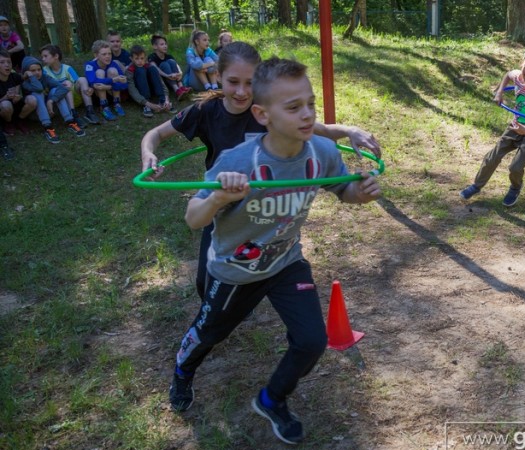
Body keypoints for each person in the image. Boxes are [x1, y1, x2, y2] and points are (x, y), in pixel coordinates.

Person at [169, 56, 381, 446]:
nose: (307, 115)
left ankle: (271, 400)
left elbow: (343, 191)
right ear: (262, 114)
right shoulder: (236, 162)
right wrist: (217, 198)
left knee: (312, 341)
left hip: (285, 262)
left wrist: (360, 194)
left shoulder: (320, 153)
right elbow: (193, 218)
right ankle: (183, 371)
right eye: (293, 107)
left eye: (310, 104)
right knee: (211, 330)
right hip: (235, 269)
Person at [141, 41, 381, 301]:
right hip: (222, 201)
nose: (242, 91)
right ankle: (223, 310)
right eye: (233, 82)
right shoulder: (204, 111)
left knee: (273, 262)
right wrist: (148, 153)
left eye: (250, 82)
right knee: (206, 281)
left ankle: (264, 292)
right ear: (218, 77)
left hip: (267, 203)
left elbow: (319, 129)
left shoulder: (267, 111)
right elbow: (156, 134)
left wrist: (349, 131)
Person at [459, 48, 525, 207]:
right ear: (521, 64)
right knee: (492, 157)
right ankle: (476, 185)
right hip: (514, 127)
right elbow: (507, 75)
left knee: (515, 167)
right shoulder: (517, 75)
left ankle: (515, 187)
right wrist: (499, 92)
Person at [20, 56, 85, 144]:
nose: (37, 72)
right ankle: (48, 127)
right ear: (27, 72)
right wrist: (31, 77)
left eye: (39, 69)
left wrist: (51, 100)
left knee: (55, 90)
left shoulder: (45, 77)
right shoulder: (25, 83)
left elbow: (63, 88)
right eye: (33, 71)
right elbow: (38, 88)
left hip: (50, 111)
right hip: (36, 114)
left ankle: (70, 121)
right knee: (38, 93)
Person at [40, 44, 93, 128]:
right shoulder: (44, 71)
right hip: (56, 101)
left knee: (82, 79)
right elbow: (46, 89)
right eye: (42, 57)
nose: (43, 59)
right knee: (65, 86)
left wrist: (87, 88)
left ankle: (90, 111)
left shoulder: (67, 68)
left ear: (56, 56)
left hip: (73, 98)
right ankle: (73, 114)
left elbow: (77, 81)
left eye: (45, 56)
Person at [84, 40, 128, 121]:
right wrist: (114, 80)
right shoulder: (89, 65)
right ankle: (104, 107)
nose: (108, 56)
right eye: (104, 54)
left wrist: (107, 87)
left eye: (109, 53)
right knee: (99, 72)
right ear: (96, 55)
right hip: (97, 95)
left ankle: (117, 104)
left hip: (111, 92)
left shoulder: (113, 63)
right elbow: (93, 81)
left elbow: (124, 84)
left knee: (112, 71)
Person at [125, 45, 174, 118]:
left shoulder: (149, 66)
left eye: (142, 58)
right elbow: (132, 90)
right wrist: (148, 104)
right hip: (140, 93)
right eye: (136, 59)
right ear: (131, 59)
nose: (140, 61)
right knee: (140, 71)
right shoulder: (129, 71)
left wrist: (166, 98)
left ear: (145, 58)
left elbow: (161, 83)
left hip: (151, 88)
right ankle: (146, 105)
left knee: (153, 69)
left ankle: (163, 101)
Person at [149, 34, 192, 101]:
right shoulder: (152, 57)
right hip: (162, 81)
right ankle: (177, 90)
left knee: (171, 61)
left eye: (165, 44)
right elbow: (155, 68)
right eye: (162, 44)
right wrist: (167, 75)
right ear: (155, 46)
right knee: (164, 64)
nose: (165, 46)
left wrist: (180, 72)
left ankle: (181, 87)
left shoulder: (168, 56)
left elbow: (176, 65)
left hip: (173, 78)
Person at [0, 48, 29, 135]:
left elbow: (22, 85)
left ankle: (20, 121)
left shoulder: (15, 77)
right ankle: (8, 123)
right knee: (5, 104)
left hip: (16, 107)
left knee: (32, 100)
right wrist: (5, 97)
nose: (7, 65)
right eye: (2, 62)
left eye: (9, 62)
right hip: (4, 110)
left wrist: (19, 96)